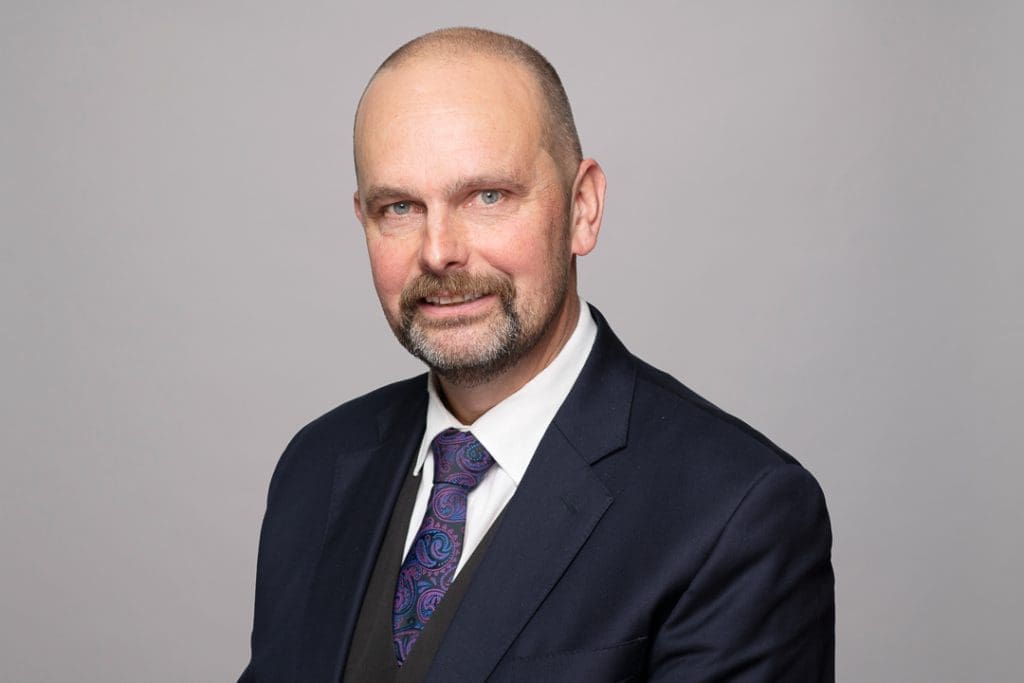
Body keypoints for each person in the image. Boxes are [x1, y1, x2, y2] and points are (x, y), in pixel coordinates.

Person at [240, 27, 834, 682]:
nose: (439, 251)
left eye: (487, 196)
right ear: (363, 219)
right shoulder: (316, 466)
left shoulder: (735, 514)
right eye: (400, 206)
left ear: (583, 208)